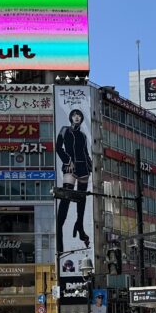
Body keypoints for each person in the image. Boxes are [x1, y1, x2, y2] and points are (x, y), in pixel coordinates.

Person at [56, 108, 91, 254]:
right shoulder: (64, 130)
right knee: (66, 198)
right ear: (71, 117)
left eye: (79, 116)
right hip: (70, 167)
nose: (77, 117)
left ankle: (80, 225)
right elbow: (58, 148)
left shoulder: (83, 135)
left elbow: (86, 152)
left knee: (81, 199)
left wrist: (90, 166)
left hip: (83, 167)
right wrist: (67, 160)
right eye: (75, 115)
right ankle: (59, 229)